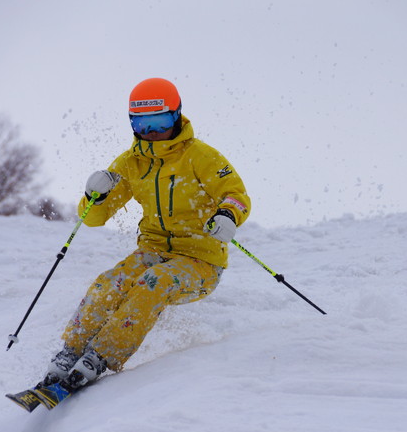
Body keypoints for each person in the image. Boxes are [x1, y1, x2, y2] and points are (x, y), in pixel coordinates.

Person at [42, 77, 251, 391]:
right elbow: (94, 218)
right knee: (109, 283)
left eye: (160, 121)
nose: (152, 132)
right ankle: (70, 351)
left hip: (200, 261)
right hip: (151, 251)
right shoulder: (130, 164)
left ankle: (99, 356)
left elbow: (236, 194)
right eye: (143, 123)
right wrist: (93, 196)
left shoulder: (200, 156)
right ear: (132, 123)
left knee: (153, 283)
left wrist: (228, 214)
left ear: (176, 116)